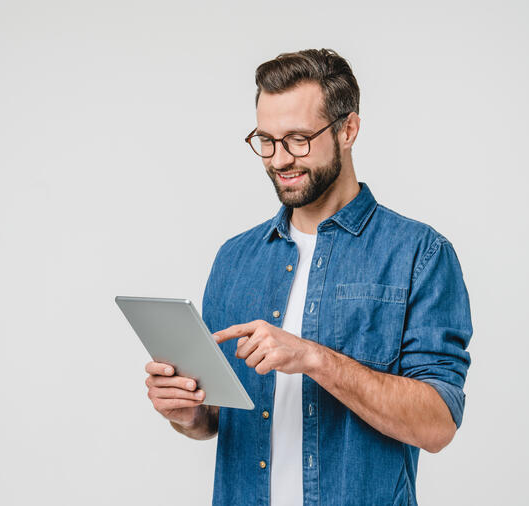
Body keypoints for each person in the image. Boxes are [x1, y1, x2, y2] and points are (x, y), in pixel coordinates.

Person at [143, 48, 473, 505]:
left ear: (348, 129)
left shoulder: (419, 253)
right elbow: (216, 419)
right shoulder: (235, 259)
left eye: (299, 139)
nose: (279, 159)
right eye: (266, 140)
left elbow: (437, 425)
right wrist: (187, 413)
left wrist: (315, 359)